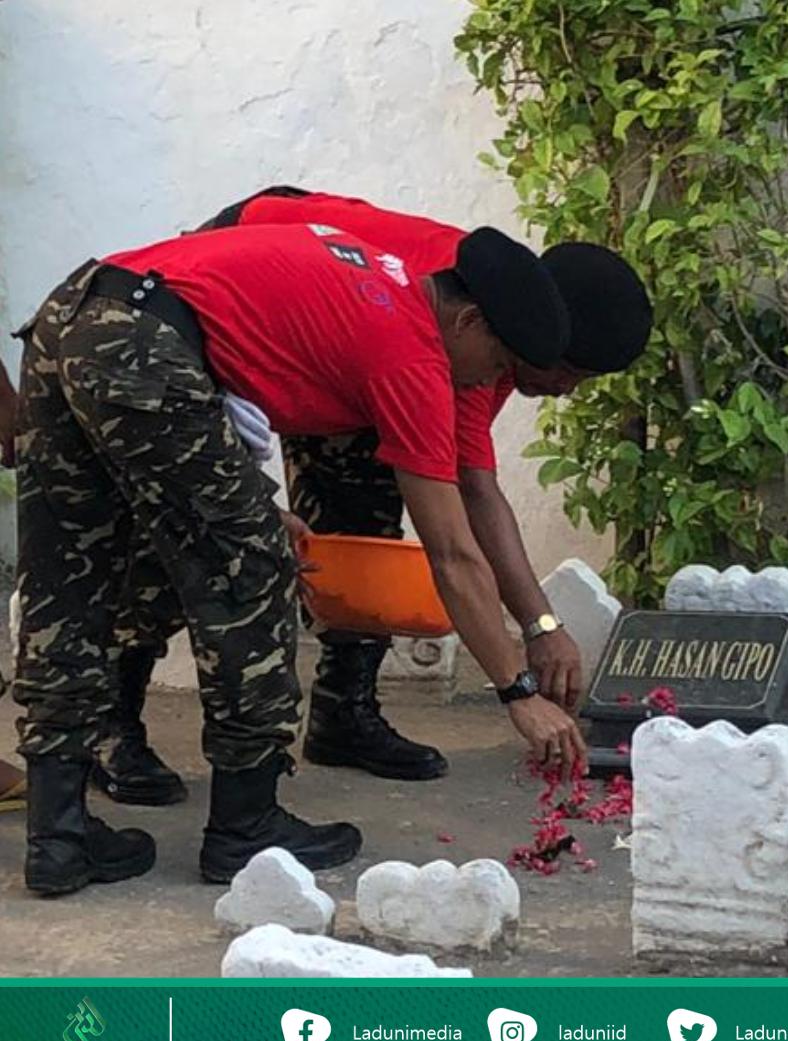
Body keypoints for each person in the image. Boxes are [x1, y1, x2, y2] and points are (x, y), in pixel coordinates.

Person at [13, 220, 585, 895]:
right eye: (496, 366)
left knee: (68, 573)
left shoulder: (376, 281)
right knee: (250, 575)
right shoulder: (411, 353)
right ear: (466, 321)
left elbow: (217, 339)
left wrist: (247, 496)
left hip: (73, 312)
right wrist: (517, 692)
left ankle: (59, 837)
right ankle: (246, 826)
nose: (487, 384)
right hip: (144, 344)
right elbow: (453, 556)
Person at [86, 189, 653, 804]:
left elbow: (467, 492)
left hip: (354, 336)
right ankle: (114, 722)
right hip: (208, 300)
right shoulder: (466, 328)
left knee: (362, 515)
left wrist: (539, 625)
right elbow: (465, 516)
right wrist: (528, 654)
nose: (566, 390)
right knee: (192, 518)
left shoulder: (488, 335)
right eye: (568, 373)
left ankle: (342, 712)